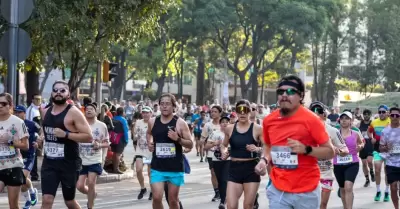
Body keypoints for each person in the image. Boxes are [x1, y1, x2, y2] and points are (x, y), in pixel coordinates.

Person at [256, 75, 335, 209]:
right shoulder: (269, 120)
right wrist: (264, 160)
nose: (285, 95)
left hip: (306, 191)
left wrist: (306, 149)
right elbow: (269, 145)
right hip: (278, 189)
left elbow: (330, 152)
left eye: (291, 92)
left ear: (301, 96)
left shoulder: (312, 120)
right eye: (281, 92)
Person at [40, 80, 93, 209]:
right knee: (47, 200)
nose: (58, 93)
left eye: (62, 90)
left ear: (68, 94)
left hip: (68, 163)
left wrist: (66, 134)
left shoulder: (74, 112)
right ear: (51, 93)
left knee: (69, 201)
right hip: (49, 163)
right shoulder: (45, 111)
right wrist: (41, 137)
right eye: (55, 90)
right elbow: (46, 129)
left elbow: (88, 137)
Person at [147, 93, 193, 209]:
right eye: (162, 104)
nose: (164, 106)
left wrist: (177, 139)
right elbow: (149, 133)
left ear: (173, 106)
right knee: (156, 198)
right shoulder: (153, 121)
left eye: (167, 104)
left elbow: (190, 144)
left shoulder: (180, 123)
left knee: (173, 200)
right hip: (157, 167)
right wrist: (150, 143)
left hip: (175, 167)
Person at [221, 99, 263, 209]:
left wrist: (257, 149)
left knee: (248, 205)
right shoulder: (229, 128)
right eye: (240, 110)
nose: (243, 113)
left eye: (246, 110)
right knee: (231, 205)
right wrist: (224, 152)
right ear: (236, 112)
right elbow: (223, 145)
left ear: (250, 111)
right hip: (234, 169)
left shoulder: (258, 129)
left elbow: (267, 149)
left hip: (251, 169)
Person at [309, 102, 348, 209]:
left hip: (326, 173)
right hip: (308, 174)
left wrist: (337, 150)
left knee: (323, 204)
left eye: (319, 112)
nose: (316, 114)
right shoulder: (304, 131)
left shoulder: (333, 131)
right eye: (313, 112)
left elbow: (345, 149)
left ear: (324, 114)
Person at [76, 103, 109, 209]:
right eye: (87, 109)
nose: (89, 111)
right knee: (80, 186)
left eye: (91, 109)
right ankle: (92, 194)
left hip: (95, 159)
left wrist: (99, 145)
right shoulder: (80, 125)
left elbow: (107, 143)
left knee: (91, 182)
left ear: (96, 112)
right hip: (82, 160)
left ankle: (90, 206)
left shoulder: (101, 125)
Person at [0, 93, 29, 209]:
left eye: (3, 104)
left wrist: (10, 141)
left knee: (13, 205)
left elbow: (25, 145)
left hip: (13, 166)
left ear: (10, 105)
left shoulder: (18, 122)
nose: (0, 106)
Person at [334, 111, 363, 209]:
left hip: (352, 163)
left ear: (351, 121)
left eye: (347, 118)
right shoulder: (335, 133)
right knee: (342, 189)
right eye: (342, 118)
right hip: (338, 164)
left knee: (348, 187)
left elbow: (361, 143)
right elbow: (329, 145)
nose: (344, 120)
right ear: (339, 121)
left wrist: (360, 146)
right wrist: (335, 149)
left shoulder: (355, 133)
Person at [14, 105, 41, 209]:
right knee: (22, 181)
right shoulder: (13, 124)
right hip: (17, 154)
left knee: (23, 177)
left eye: (19, 112)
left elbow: (41, 132)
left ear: (24, 113)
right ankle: (29, 198)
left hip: (29, 154)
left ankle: (31, 193)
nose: (17, 114)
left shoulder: (31, 124)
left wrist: (38, 141)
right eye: (15, 112)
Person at [368, 104, 391, 202]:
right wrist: (371, 137)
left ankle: (386, 192)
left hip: (389, 150)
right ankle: (378, 191)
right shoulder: (374, 122)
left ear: (387, 112)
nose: (381, 114)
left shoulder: (391, 122)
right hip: (377, 149)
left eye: (383, 112)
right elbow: (369, 132)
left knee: (387, 172)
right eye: (380, 112)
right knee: (377, 169)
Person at [202, 105, 224, 204]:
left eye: (215, 112)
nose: (213, 113)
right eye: (212, 112)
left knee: (223, 174)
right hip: (211, 153)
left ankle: (224, 191)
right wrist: (203, 143)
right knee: (213, 173)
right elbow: (203, 138)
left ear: (220, 113)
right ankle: (217, 192)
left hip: (224, 153)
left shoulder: (224, 124)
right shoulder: (208, 125)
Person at [380, 107, 400, 209]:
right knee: (393, 187)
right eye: (393, 115)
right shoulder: (385, 131)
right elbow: (381, 147)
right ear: (389, 116)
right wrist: (385, 147)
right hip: (391, 163)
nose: (395, 117)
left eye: (397, 115)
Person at [132, 106, 153, 200]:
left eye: (147, 112)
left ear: (150, 114)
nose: (145, 114)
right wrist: (135, 137)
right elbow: (134, 134)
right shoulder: (138, 122)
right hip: (140, 150)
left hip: (150, 151)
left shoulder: (153, 123)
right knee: (138, 170)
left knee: (150, 173)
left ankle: (152, 190)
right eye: (143, 112)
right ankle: (143, 188)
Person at [358, 109, 375, 187]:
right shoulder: (359, 124)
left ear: (370, 115)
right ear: (363, 115)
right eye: (365, 114)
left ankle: (371, 171)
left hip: (370, 145)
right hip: (362, 145)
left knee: (369, 161)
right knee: (364, 163)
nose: (366, 115)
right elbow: (354, 129)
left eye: (368, 114)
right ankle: (367, 179)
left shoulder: (373, 123)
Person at [111, 107, 129, 174]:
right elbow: (126, 131)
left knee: (114, 153)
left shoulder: (113, 118)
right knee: (118, 154)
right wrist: (126, 140)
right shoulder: (123, 120)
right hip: (120, 138)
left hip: (113, 138)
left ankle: (114, 168)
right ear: (122, 112)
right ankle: (116, 169)